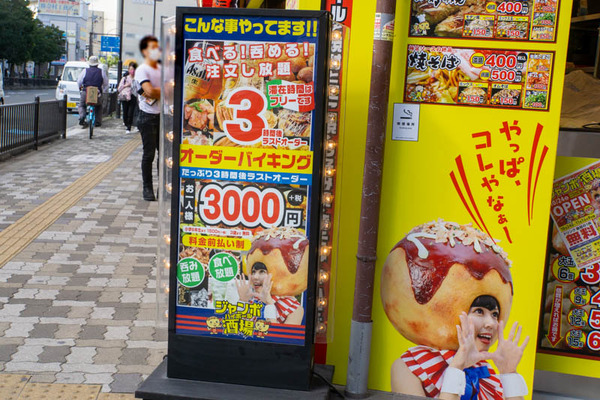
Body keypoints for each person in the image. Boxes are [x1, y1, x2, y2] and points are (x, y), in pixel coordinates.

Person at [391, 295, 529, 400]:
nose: (491, 323)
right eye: (479, 311)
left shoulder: (486, 373)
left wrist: (509, 372)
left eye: (494, 314)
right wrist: (456, 368)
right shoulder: (410, 365)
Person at [135, 35, 162, 201]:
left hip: (164, 116)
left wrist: (157, 91)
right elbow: (149, 92)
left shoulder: (163, 69)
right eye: (152, 48)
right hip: (147, 117)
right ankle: (147, 188)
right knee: (149, 154)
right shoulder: (142, 69)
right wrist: (165, 90)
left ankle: (163, 188)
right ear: (144, 51)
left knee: (164, 155)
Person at [235, 263, 304, 325]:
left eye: (262, 271)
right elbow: (235, 330)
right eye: (253, 272)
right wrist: (242, 301)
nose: (255, 277)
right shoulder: (251, 299)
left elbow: (277, 335)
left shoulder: (294, 308)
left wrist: (269, 304)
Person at [77, 55, 108, 127]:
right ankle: (98, 121)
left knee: (82, 105)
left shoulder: (85, 71)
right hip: (97, 92)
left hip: (86, 92)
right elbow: (106, 83)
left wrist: (80, 88)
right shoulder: (101, 71)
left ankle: (82, 116)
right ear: (97, 64)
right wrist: (103, 90)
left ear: (89, 64)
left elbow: (79, 82)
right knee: (99, 106)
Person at [118, 62, 138, 134]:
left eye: (133, 69)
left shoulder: (137, 79)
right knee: (125, 112)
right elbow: (119, 88)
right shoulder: (125, 78)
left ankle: (128, 127)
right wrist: (125, 85)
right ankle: (126, 123)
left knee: (130, 112)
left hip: (133, 96)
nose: (132, 71)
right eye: (130, 69)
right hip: (125, 97)